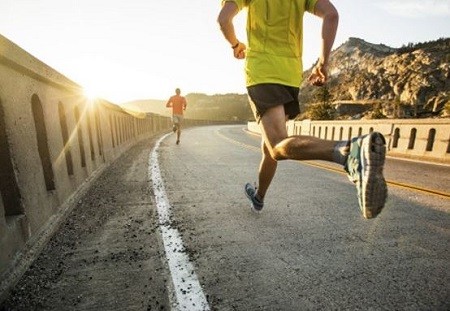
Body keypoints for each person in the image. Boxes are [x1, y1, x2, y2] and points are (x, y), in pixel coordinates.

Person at [218, 0, 387, 219]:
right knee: (269, 148)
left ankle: (348, 151)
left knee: (278, 144)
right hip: (290, 75)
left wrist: (235, 44)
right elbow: (331, 15)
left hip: (261, 72)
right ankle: (259, 196)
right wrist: (323, 62)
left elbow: (223, 19)